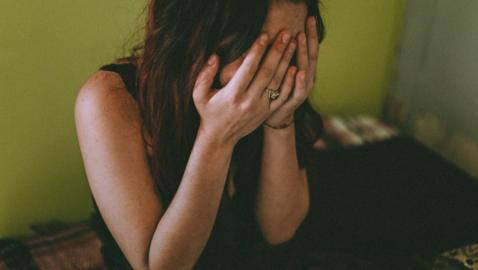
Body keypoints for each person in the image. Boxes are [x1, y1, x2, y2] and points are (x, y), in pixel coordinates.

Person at [74, 0, 325, 269]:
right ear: (199, 36)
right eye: (263, 51)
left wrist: (280, 120)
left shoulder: (277, 89)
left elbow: (281, 230)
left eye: (289, 49)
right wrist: (217, 138)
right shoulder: (110, 98)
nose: (274, 72)